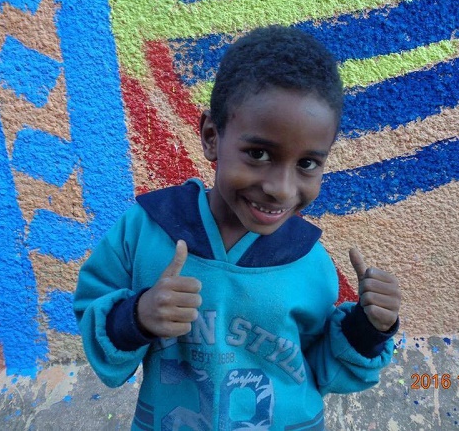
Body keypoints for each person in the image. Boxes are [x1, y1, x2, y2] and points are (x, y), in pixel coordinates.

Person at [74, 25, 401, 430]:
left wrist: (368, 328)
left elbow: (322, 370)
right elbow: (93, 318)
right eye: (259, 153)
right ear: (212, 137)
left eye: (307, 164)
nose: (281, 189)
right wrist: (138, 316)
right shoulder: (145, 230)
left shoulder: (309, 262)